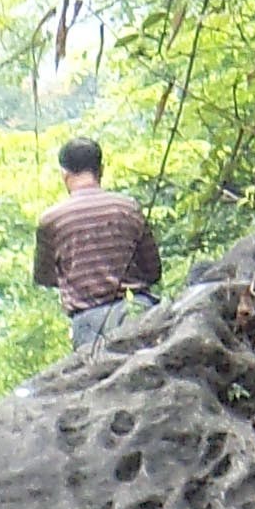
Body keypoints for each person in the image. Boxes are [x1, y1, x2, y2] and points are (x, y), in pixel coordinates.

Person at [31, 135, 162, 350]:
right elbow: (153, 270)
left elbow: (44, 276)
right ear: (101, 169)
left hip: (88, 323)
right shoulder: (128, 207)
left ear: (64, 174)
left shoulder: (52, 220)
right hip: (137, 310)